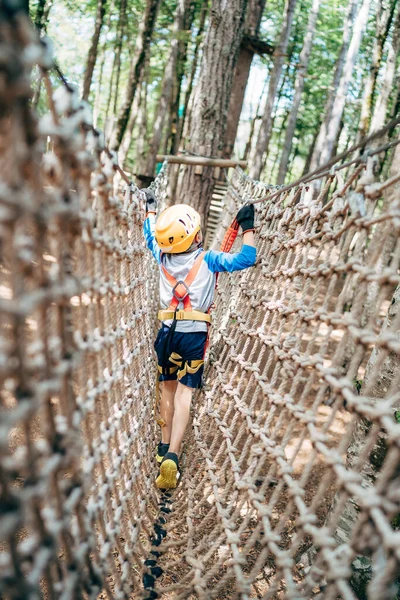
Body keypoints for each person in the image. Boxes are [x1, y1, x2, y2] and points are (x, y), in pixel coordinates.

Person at [143, 190, 256, 489]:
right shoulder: (209, 259)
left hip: (166, 334)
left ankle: (163, 446)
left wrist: (150, 211)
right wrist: (248, 227)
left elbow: (149, 237)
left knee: (166, 388)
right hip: (194, 337)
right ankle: (174, 457)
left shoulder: (162, 256)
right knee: (184, 394)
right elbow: (247, 258)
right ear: (194, 238)